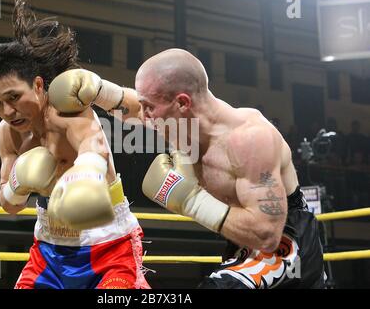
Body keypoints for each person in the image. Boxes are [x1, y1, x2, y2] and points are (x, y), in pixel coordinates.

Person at [48, 48, 326, 289]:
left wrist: (192, 201)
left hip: (287, 244)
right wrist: (99, 91)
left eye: (149, 107)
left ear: (182, 102)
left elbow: (267, 234)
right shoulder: (180, 122)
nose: (144, 116)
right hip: (241, 247)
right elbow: (134, 106)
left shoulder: (250, 140)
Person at [0, 0, 149, 289]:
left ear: (39, 85)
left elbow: (95, 146)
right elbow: (9, 205)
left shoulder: (66, 109)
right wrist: (17, 184)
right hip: (48, 249)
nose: (6, 111)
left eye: (14, 97)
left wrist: (86, 176)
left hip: (109, 246)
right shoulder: (7, 133)